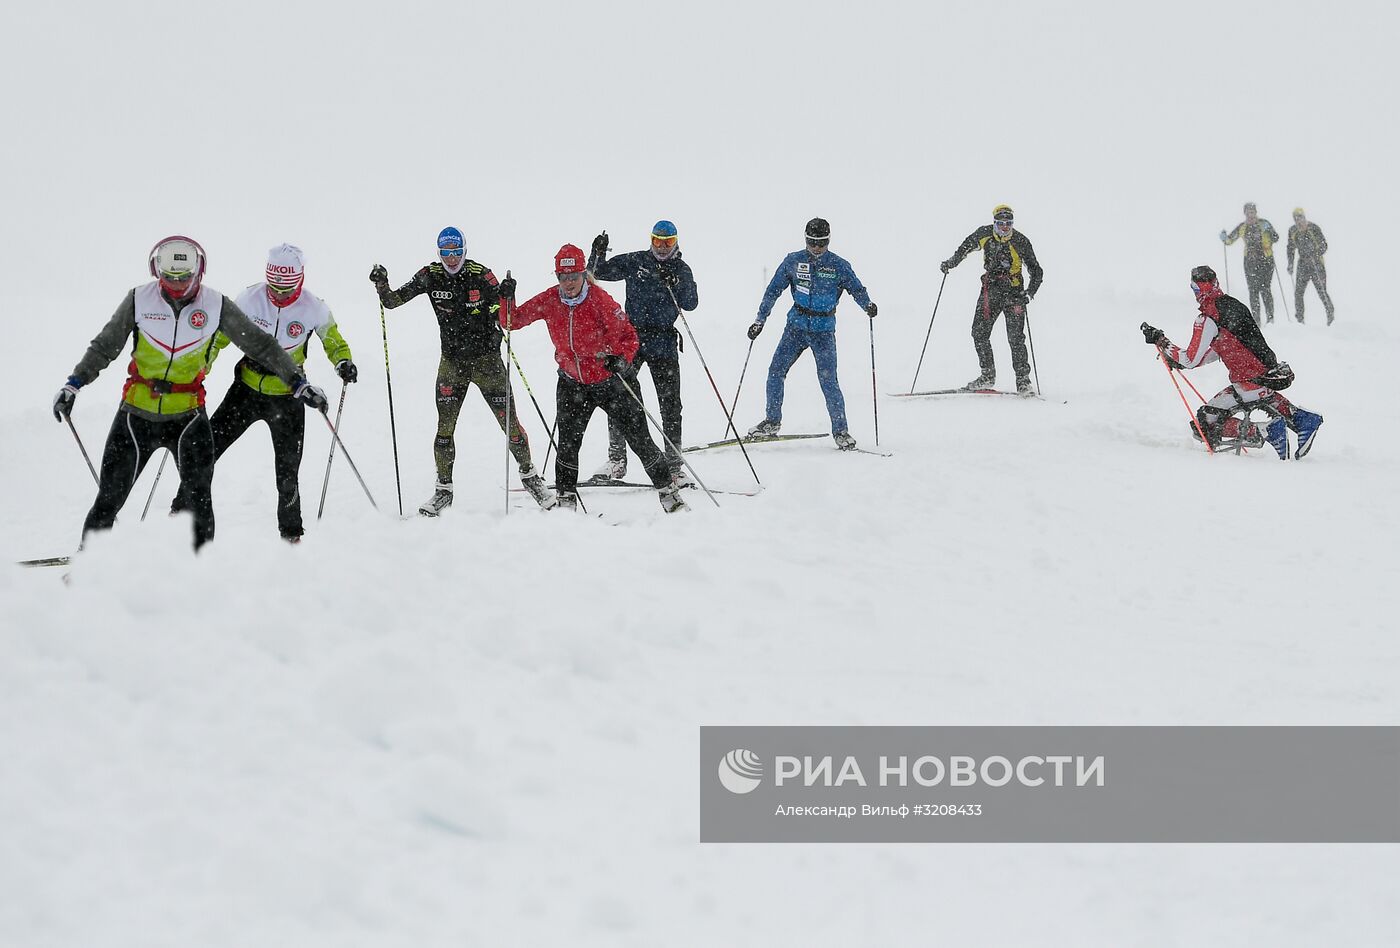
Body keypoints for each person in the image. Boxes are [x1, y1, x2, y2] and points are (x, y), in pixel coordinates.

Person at [51, 235, 325, 550]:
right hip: (135, 415)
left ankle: (200, 570)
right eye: (169, 277)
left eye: (185, 277)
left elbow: (261, 345)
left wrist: (296, 381)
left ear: (199, 271)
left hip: (188, 417)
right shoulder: (139, 299)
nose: (177, 284)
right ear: (156, 270)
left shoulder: (216, 304)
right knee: (110, 497)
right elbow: (105, 346)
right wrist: (74, 383)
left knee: (199, 504)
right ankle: (88, 563)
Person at [168, 244, 356, 542]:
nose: (279, 294)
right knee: (207, 450)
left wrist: (343, 362)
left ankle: (291, 534)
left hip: (288, 395)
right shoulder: (250, 298)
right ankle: (181, 510)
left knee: (287, 471)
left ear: (299, 280)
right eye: (274, 287)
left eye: (286, 288)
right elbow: (218, 338)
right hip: (245, 390)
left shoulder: (314, 307)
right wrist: (200, 367)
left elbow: (333, 340)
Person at [370, 226, 554, 516]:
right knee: (444, 430)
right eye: (446, 252)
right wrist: (382, 284)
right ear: (439, 252)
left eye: (456, 252)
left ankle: (531, 477)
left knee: (510, 425)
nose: (452, 258)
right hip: (452, 364)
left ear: (464, 251)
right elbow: (393, 302)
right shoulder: (429, 275)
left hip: (488, 362)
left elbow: (505, 317)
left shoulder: (482, 274)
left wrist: (507, 295)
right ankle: (443, 490)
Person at [497, 245, 687, 513]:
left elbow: (629, 337)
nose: (569, 283)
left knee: (640, 441)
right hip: (572, 383)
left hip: (610, 382)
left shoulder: (600, 300)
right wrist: (507, 297)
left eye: (574, 275)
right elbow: (511, 321)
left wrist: (622, 360)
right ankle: (565, 500)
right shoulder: (551, 299)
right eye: (563, 277)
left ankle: (669, 494)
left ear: (584, 274)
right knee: (567, 445)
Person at [1141, 265, 1324, 459]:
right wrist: (1179, 362)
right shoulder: (1234, 304)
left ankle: (1266, 431)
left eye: (1194, 289)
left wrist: (1162, 342)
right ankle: (1303, 420)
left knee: (1203, 423)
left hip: (1247, 382)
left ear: (1198, 289)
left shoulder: (1207, 318)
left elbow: (1190, 360)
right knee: (1262, 395)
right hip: (1268, 375)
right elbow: (1224, 348)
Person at [745, 218, 877, 450]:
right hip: (795, 327)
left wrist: (867, 305)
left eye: (822, 242)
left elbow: (856, 288)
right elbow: (773, 291)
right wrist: (760, 320)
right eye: (812, 242)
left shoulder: (839, 265)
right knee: (776, 372)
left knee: (828, 380)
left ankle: (841, 431)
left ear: (829, 240)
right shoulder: (793, 261)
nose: (817, 248)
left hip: (823, 330)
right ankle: (772, 421)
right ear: (805, 239)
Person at [586, 220, 700, 482]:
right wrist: (597, 251)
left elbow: (691, 303)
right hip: (631, 340)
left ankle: (673, 465)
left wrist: (676, 283)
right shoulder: (636, 260)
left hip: (663, 342)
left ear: (676, 242)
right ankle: (616, 461)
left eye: (667, 242)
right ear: (651, 240)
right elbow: (598, 272)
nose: (661, 247)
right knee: (617, 397)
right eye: (657, 241)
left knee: (670, 404)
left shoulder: (681, 269)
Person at [939, 204, 1044, 394]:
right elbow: (965, 247)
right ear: (994, 223)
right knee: (978, 332)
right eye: (1001, 223)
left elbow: (1036, 271)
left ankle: (1023, 382)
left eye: (1009, 223)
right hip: (991, 291)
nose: (1005, 227)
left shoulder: (1021, 241)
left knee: (1016, 338)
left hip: (1015, 293)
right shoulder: (984, 234)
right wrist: (951, 263)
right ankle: (987, 376)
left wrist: (1030, 293)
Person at [1220, 202, 1281, 325]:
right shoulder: (1242, 227)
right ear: (1245, 213)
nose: (1250, 215)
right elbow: (1230, 240)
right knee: (1253, 290)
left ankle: (1270, 318)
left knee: (1265, 288)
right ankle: (1256, 319)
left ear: (1256, 213)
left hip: (1266, 260)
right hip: (1250, 261)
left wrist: (1269, 232)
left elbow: (1276, 237)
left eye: (1252, 212)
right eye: (1248, 213)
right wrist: (1224, 237)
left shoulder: (1264, 223)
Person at [1287, 208, 1335, 326]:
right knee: (1298, 292)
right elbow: (1291, 248)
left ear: (1304, 217)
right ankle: (1300, 318)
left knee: (1321, 291)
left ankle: (1330, 315)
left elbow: (1324, 245)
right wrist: (1290, 263)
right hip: (1303, 263)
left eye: (1301, 217)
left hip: (1316, 263)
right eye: (1296, 218)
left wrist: (1315, 253)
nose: (1299, 221)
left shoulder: (1314, 228)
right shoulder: (1293, 230)